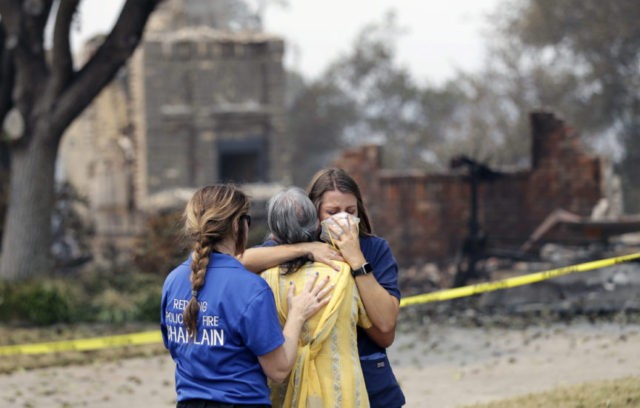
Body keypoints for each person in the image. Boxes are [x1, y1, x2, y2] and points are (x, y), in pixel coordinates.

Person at [241, 168, 406, 408]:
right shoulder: (289, 248)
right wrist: (304, 249)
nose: (343, 218)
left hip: (371, 384)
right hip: (303, 387)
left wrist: (357, 260)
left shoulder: (375, 249)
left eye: (350, 211)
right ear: (313, 212)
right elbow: (240, 262)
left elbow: (385, 328)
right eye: (332, 212)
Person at [160, 184, 333, 408]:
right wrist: (297, 315)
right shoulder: (251, 288)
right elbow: (279, 370)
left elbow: (176, 348)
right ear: (236, 225)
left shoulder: (172, 281)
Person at [261, 186, 371, 408]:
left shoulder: (263, 281)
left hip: (287, 390)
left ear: (273, 232)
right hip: (343, 392)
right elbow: (367, 320)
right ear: (316, 225)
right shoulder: (343, 271)